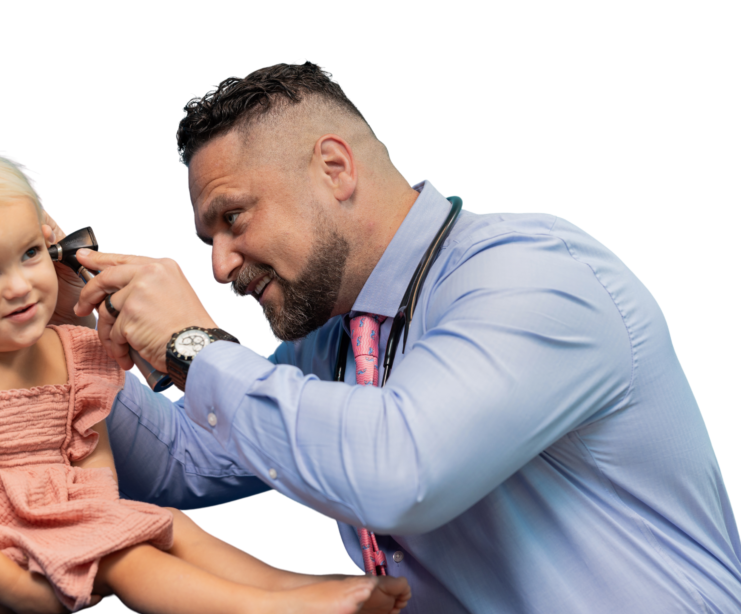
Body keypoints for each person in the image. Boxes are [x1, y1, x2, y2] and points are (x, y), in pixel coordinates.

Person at [49, 60, 741, 612]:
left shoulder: (532, 279)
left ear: (335, 168)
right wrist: (58, 330)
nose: (222, 265)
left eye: (233, 218)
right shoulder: (334, 342)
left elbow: (400, 473)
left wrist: (192, 346)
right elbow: (186, 469)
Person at [0, 134, 413, 614]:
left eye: (29, 253)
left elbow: (93, 463)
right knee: (127, 557)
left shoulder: (72, 349)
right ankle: (265, 608)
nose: (20, 286)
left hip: (56, 522)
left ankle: (296, 585)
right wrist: (14, 589)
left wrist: (107, 525)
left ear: (50, 239)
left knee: (172, 529)